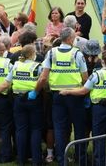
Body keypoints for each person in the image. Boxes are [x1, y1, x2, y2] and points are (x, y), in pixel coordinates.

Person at [33, 27, 88, 166]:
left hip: (57, 95)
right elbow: (85, 77)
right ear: (69, 39)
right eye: (74, 37)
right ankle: (80, 158)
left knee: (59, 127)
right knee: (79, 127)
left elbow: (44, 77)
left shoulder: (51, 53)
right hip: (75, 95)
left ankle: (61, 158)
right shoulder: (77, 54)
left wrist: (35, 91)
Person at [60, 50, 106, 166]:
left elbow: (83, 91)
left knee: (98, 137)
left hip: (99, 108)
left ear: (102, 61)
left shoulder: (96, 74)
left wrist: (67, 91)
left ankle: (99, 162)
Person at [0, 45, 43, 165]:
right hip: (33, 99)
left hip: (18, 100)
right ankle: (36, 160)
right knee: (35, 129)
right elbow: (43, 81)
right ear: (32, 54)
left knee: (20, 129)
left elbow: (6, 83)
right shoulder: (37, 66)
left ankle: (21, 159)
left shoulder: (16, 65)